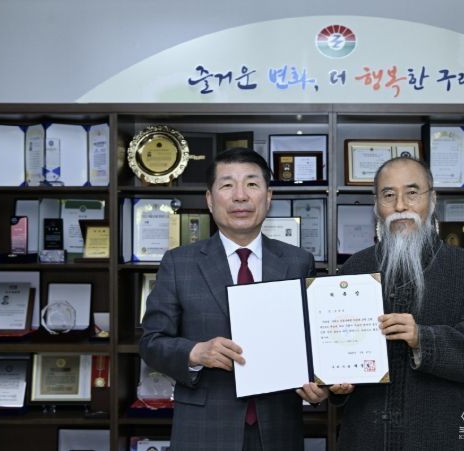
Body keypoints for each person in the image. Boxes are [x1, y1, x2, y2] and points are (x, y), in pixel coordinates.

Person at [140, 148, 327, 451]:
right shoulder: (179, 263)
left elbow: (314, 343)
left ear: (268, 197)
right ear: (210, 199)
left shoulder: (298, 262)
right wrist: (195, 352)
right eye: (227, 185)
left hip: (278, 429)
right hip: (203, 430)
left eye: (252, 184)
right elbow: (151, 342)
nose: (240, 196)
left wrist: (322, 383)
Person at [329, 156, 464, 450]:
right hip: (365, 438)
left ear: (432, 199)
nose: (400, 205)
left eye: (412, 193)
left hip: (445, 438)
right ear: (376, 205)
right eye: (388, 195)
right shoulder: (355, 270)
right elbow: (336, 351)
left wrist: (423, 338)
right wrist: (336, 385)